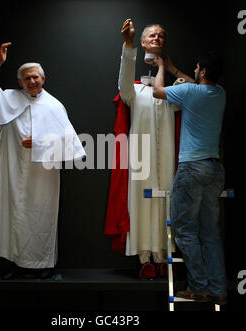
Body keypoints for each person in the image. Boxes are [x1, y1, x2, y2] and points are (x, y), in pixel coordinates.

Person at [0, 42, 85, 279]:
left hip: (42, 175)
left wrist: (41, 142)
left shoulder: (55, 106)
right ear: (20, 82)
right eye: (26, 79)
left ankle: (43, 265)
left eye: (35, 77)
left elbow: (71, 144)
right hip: (12, 170)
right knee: (13, 214)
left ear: (43, 78)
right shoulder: (7, 99)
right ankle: (15, 264)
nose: (31, 82)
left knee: (40, 215)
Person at [153, 51, 227, 304]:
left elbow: (157, 91)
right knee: (210, 233)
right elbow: (194, 85)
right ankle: (219, 289)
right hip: (215, 169)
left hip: (192, 168)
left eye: (197, 68)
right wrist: (175, 69)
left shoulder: (190, 93)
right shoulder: (220, 94)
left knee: (184, 231)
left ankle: (198, 286)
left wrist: (162, 67)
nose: (194, 71)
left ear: (203, 72)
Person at [110, 18, 180, 279]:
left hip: (167, 156)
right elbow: (124, 79)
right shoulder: (135, 92)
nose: (157, 38)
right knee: (140, 202)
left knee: (167, 202)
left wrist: (168, 67)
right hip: (141, 156)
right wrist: (128, 45)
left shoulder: (172, 93)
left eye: (161, 36)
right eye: (152, 35)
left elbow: (194, 89)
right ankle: (144, 257)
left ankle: (162, 255)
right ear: (142, 41)